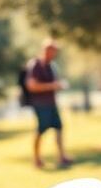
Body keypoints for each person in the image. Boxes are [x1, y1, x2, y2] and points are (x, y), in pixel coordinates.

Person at [25, 39, 73, 169]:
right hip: (40, 104)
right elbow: (31, 86)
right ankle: (36, 158)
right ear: (45, 50)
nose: (53, 54)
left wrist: (58, 86)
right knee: (41, 130)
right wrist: (53, 86)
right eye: (51, 51)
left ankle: (62, 156)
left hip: (51, 103)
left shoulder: (51, 66)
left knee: (58, 127)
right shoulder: (35, 65)